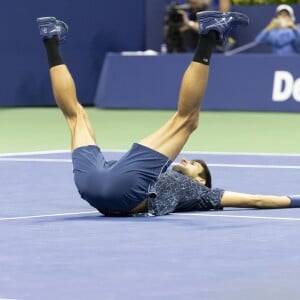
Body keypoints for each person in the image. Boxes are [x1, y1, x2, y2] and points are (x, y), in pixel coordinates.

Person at [37, 12, 300, 217]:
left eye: (197, 165)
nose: (187, 159)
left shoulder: (201, 194)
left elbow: (256, 200)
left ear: (201, 180)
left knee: (187, 120)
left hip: (114, 188)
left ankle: (209, 35)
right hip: (97, 184)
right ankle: (51, 40)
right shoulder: (160, 173)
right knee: (76, 116)